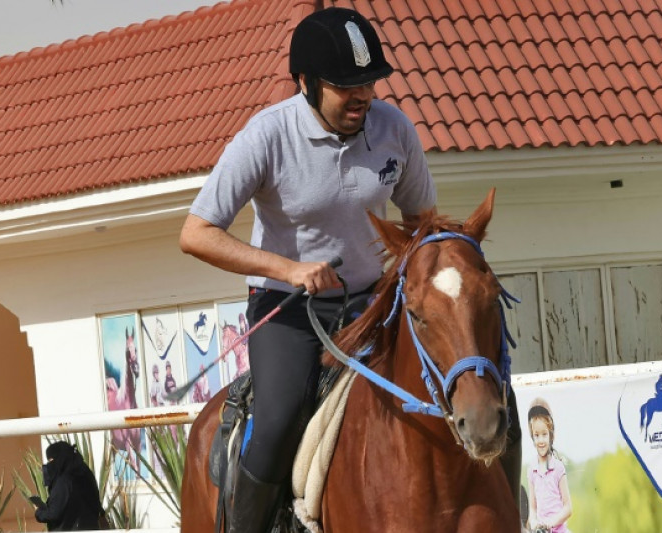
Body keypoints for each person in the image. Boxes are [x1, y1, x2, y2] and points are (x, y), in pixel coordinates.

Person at [179, 7, 520, 532]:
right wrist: (288, 268)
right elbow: (195, 233)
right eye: (346, 86)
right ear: (307, 84)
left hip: (374, 302)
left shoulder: (393, 130)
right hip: (289, 309)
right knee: (276, 421)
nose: (362, 96)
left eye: (369, 83)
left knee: (492, 392)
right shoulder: (265, 136)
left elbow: (421, 224)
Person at [30, 441, 105, 531]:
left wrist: (39, 512)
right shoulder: (85, 473)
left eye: (51, 460)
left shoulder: (64, 481)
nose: (50, 465)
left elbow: (53, 513)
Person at [526, 399, 573, 533]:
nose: (541, 440)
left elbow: (568, 508)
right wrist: (534, 522)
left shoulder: (558, 468)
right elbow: (533, 508)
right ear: (532, 437)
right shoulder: (531, 471)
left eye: (544, 434)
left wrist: (550, 523)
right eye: (537, 435)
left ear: (551, 435)